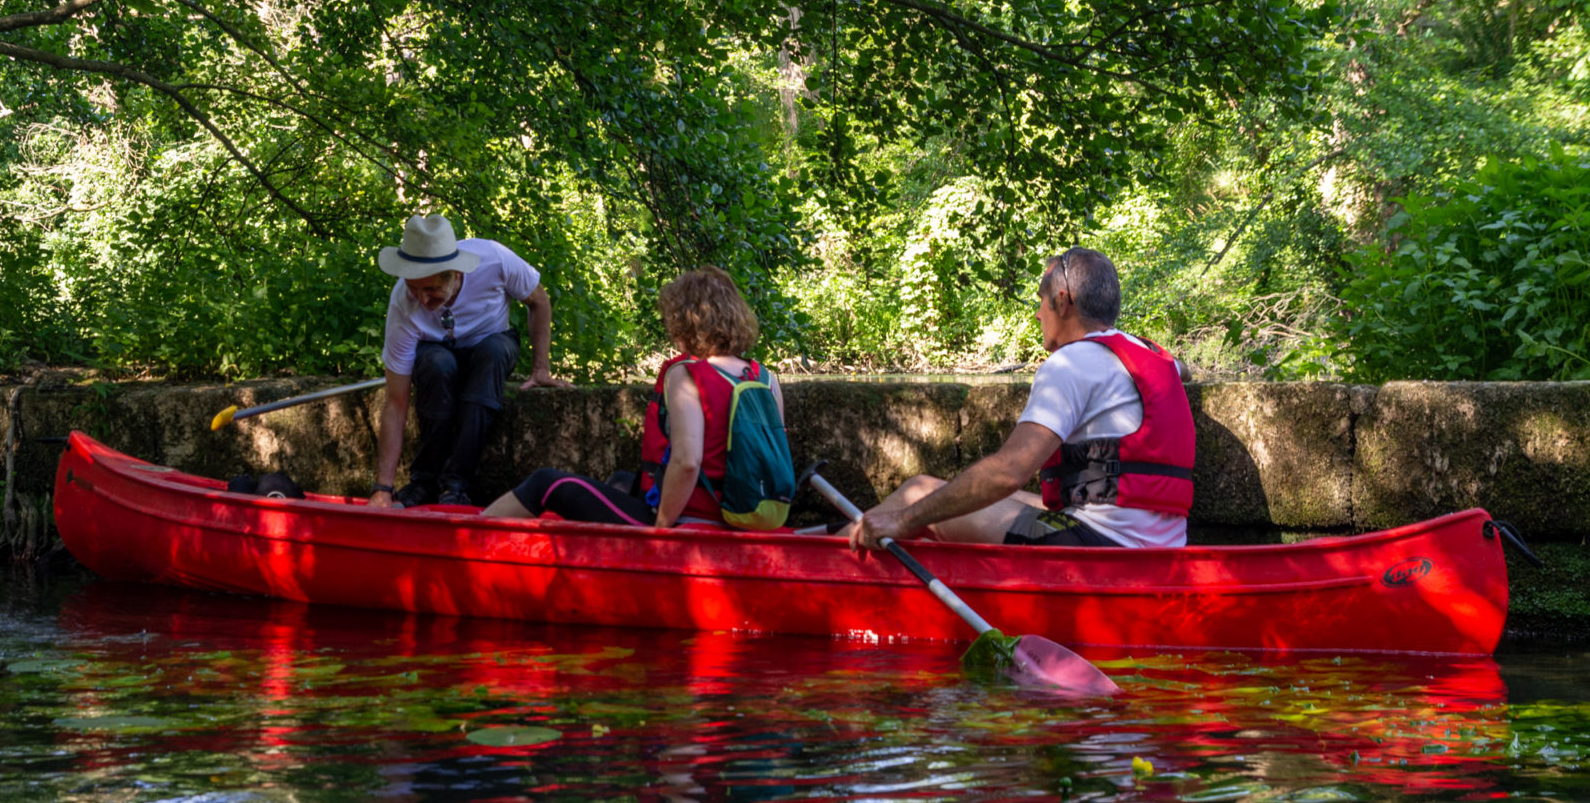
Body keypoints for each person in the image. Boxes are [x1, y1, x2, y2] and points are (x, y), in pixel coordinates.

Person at [849, 247, 1194, 550]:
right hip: (1159, 547)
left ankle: (822, 563)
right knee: (924, 486)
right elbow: (1185, 370)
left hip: (1098, 546)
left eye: (1040, 300)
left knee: (917, 501)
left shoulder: (1072, 363)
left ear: (1062, 300)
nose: (1037, 313)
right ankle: (841, 540)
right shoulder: (1151, 355)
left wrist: (904, 521)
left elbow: (1007, 474)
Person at [482, 266, 787, 528]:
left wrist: (661, 528)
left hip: (691, 519)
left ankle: (464, 537)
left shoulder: (687, 375)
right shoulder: (766, 379)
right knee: (621, 481)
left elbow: (688, 462)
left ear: (684, 322)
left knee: (548, 483)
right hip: (742, 515)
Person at [367, 214, 568, 509]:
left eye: (431, 290)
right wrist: (381, 488)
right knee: (437, 364)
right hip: (437, 354)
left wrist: (541, 369)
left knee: (493, 353)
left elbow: (539, 301)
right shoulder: (402, 301)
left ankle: (456, 484)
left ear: (455, 274)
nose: (421, 300)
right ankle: (423, 482)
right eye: (414, 288)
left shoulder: (494, 260)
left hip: (493, 343)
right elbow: (396, 403)